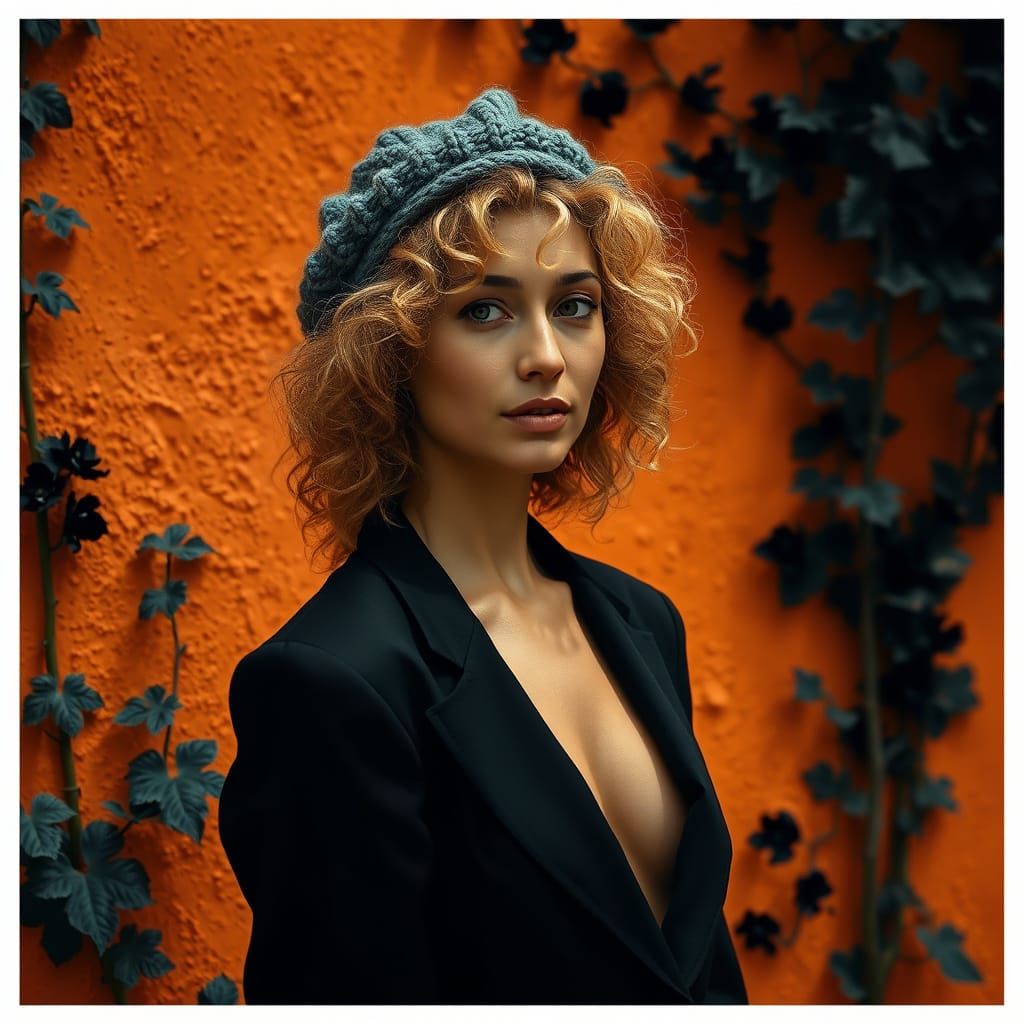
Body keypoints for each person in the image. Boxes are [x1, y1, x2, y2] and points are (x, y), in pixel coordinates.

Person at [217, 86, 748, 1006]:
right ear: (390, 350)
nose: (547, 353)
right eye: (487, 311)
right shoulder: (331, 682)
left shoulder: (642, 622)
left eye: (575, 305)